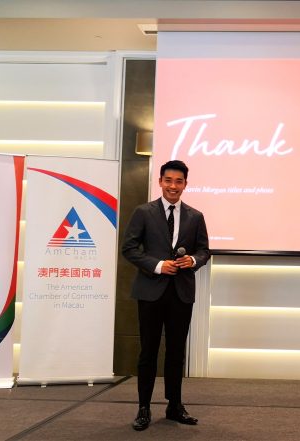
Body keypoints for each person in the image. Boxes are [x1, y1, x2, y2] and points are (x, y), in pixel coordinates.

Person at [122, 160, 210, 431]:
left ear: (185, 184)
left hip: (181, 293)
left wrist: (192, 260)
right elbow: (129, 248)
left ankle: (174, 405)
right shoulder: (143, 212)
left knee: (176, 352)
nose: (173, 186)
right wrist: (158, 265)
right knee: (148, 351)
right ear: (160, 181)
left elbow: (204, 251)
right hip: (150, 291)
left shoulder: (196, 216)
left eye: (179, 181)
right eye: (168, 180)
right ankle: (144, 407)